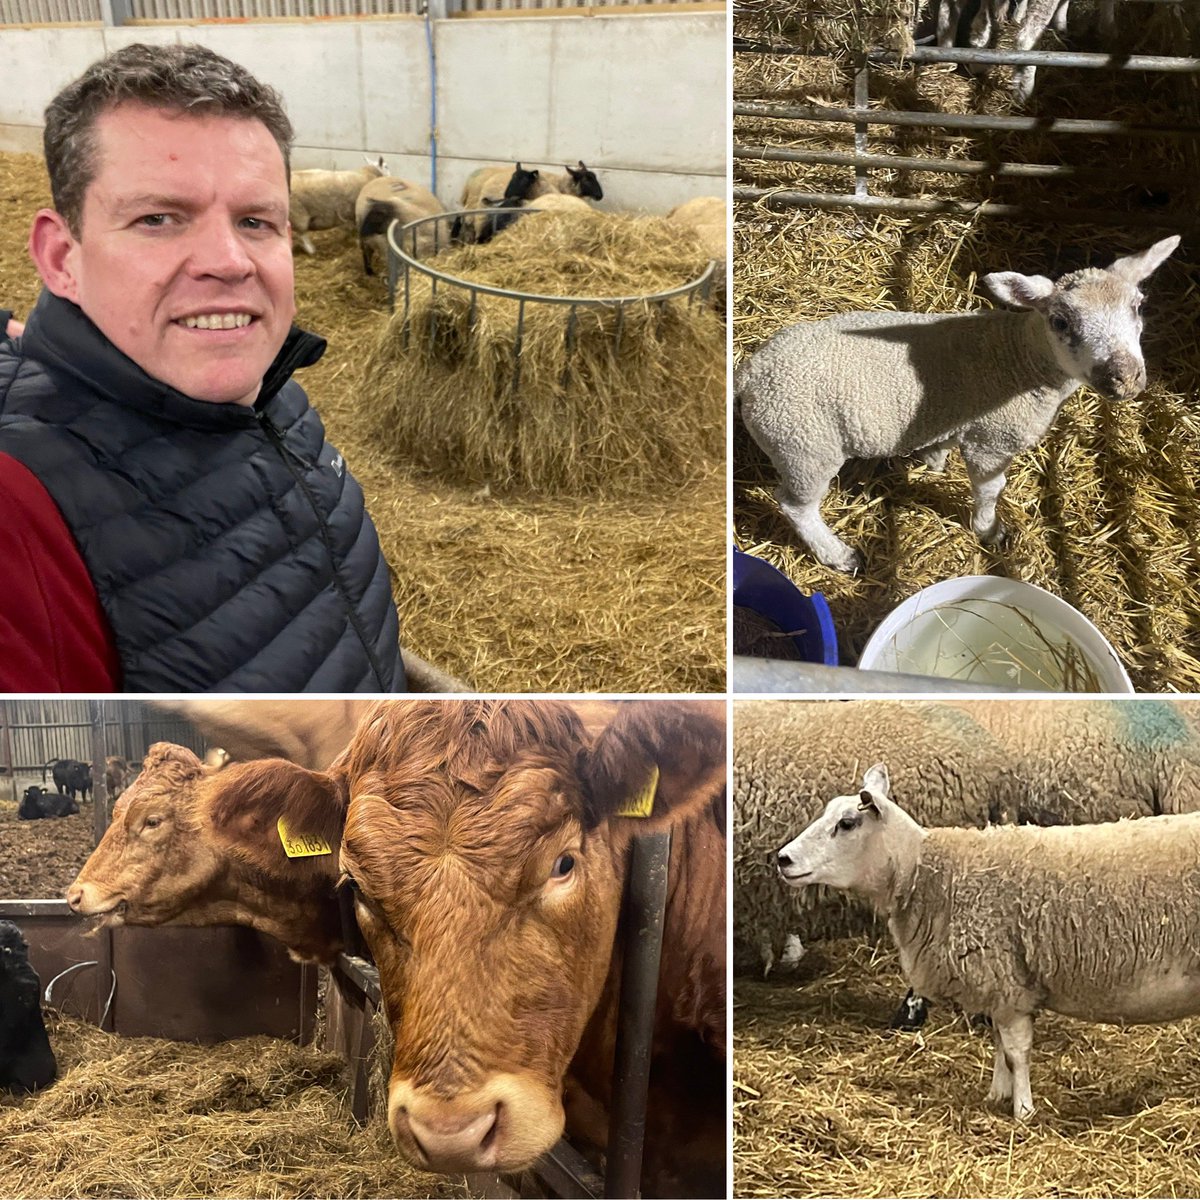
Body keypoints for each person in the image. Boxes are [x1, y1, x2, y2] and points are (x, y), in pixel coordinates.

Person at [0, 43, 406, 692]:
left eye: (255, 221)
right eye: (158, 218)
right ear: (60, 258)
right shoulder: (19, 513)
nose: (228, 261)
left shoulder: (278, 402)